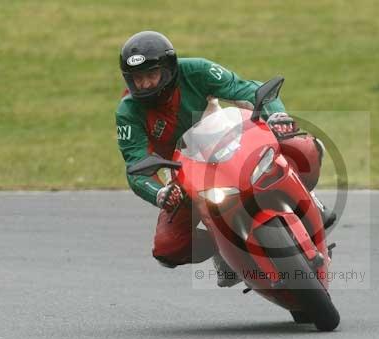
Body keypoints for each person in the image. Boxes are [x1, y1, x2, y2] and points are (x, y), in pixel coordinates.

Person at [115, 31, 335, 286]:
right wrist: (160, 193)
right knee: (168, 248)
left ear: (169, 70)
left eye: (151, 75)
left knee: (303, 147)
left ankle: (308, 197)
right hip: (184, 170)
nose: (145, 85)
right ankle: (223, 249)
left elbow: (246, 89)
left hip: (230, 140)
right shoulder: (128, 111)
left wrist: (276, 117)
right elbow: (136, 167)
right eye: (137, 78)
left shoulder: (197, 70)